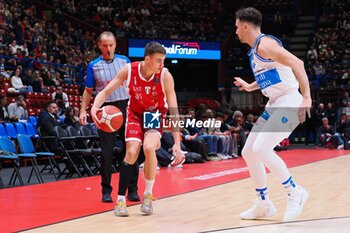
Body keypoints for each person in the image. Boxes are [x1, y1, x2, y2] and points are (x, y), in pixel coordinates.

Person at [234, 7, 311, 222]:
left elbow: (298, 63)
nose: (236, 31)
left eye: (237, 26)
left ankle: (295, 191)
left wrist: (306, 97)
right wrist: (250, 86)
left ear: (246, 26)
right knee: (248, 151)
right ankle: (263, 203)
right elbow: (272, 76)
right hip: (274, 104)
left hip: (290, 101)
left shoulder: (266, 44)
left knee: (261, 148)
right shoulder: (256, 51)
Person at [91, 41, 185, 217]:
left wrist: (177, 143)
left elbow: (174, 110)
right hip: (134, 113)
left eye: (163, 60)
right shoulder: (129, 70)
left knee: (149, 148)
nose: (162, 64)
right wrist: (95, 107)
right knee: (132, 151)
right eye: (159, 60)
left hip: (154, 115)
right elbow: (105, 92)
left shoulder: (165, 76)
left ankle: (148, 195)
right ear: (147, 59)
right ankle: (120, 200)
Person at [79, 31, 140, 203]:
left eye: (111, 45)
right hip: (105, 110)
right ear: (99, 45)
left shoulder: (125, 61)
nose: (108, 48)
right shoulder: (93, 65)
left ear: (115, 45)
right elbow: (89, 90)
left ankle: (133, 189)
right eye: (104, 45)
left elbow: (134, 84)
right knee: (106, 153)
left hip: (126, 107)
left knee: (132, 149)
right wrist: (83, 110)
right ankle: (106, 190)